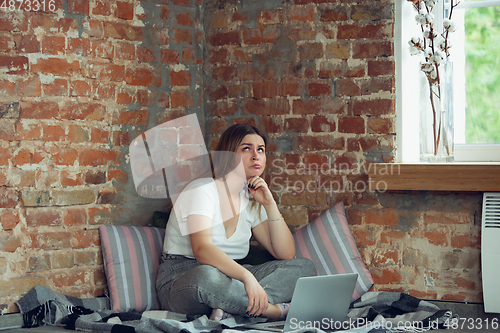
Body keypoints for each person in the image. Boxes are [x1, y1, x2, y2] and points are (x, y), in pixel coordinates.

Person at [156, 124, 317, 321]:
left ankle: (230, 307)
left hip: (231, 277)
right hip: (183, 278)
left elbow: (285, 253)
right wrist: (246, 277)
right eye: (246, 148)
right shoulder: (202, 189)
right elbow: (202, 250)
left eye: (261, 150)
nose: (256, 155)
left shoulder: (251, 200)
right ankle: (273, 311)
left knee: (304, 268)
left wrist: (270, 204)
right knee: (208, 276)